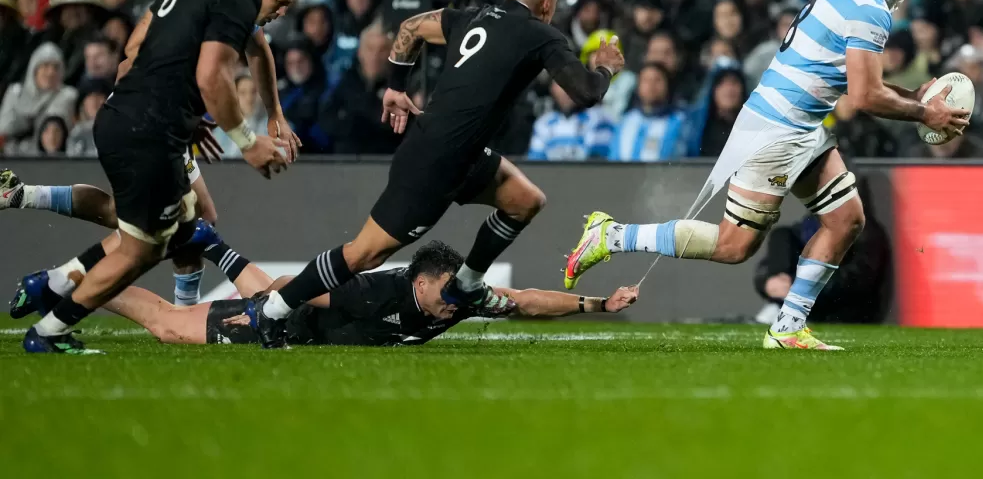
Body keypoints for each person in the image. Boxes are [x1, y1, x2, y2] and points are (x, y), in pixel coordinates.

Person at [564, 0, 969, 350]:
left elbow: (856, 84)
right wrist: (926, 112)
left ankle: (788, 327)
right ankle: (611, 236)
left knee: (846, 219)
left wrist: (916, 97)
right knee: (734, 245)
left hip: (800, 124)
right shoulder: (869, 8)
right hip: (778, 129)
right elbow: (866, 96)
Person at [249, 0, 625, 348]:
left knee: (525, 201)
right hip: (434, 164)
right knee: (363, 255)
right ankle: (272, 310)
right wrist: (606, 68)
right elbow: (586, 93)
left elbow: (410, 27)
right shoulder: (541, 35)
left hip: (458, 152)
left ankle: (467, 284)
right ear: (547, 3)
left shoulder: (469, 17)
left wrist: (396, 86)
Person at [21, 0, 290, 355]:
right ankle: (50, 327)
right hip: (150, 129)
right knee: (144, 245)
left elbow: (138, 49)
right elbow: (212, 75)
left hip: (125, 114)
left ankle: (54, 285)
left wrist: (191, 107)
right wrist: (248, 141)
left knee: (173, 226)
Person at [105, 239, 638, 347]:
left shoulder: (460, 297)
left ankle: (214, 246)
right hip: (285, 327)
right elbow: (292, 287)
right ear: (420, 282)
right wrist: (263, 315)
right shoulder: (376, 293)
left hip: (310, 333)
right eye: (446, 291)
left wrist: (598, 304)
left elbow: (524, 300)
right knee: (167, 325)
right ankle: (82, 290)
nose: (455, 302)